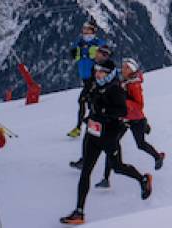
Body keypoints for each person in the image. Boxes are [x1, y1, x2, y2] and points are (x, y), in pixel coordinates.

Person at [60, 59, 152, 225]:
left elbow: (122, 111)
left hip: (109, 136)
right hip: (92, 134)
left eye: (101, 71)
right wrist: (90, 114)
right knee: (85, 171)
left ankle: (142, 179)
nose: (97, 73)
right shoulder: (95, 85)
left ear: (109, 73)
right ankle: (79, 211)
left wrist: (102, 113)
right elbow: (92, 104)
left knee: (117, 167)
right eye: (97, 70)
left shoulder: (116, 89)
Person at [96, 58, 165, 188]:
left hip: (135, 120)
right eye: (123, 66)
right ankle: (106, 178)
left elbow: (139, 105)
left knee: (140, 144)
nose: (123, 68)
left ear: (132, 70)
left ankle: (157, 157)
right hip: (126, 119)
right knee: (113, 144)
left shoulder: (134, 85)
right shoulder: (125, 81)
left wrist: (122, 103)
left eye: (126, 67)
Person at [68, 23, 106, 138]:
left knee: (83, 101)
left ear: (93, 31)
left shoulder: (99, 43)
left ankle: (81, 128)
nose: (85, 33)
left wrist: (99, 55)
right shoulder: (79, 42)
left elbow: (107, 58)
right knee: (91, 104)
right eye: (84, 30)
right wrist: (74, 53)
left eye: (88, 30)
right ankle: (96, 127)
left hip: (94, 79)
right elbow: (73, 54)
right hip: (85, 78)